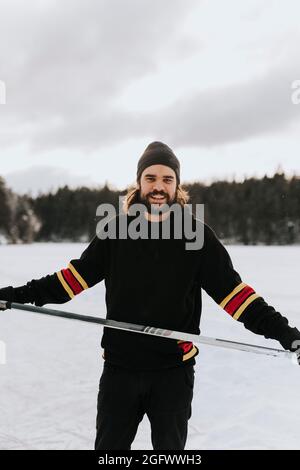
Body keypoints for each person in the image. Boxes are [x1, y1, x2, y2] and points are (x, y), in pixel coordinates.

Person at [1, 141, 300, 451]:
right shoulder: (115, 232)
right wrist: (13, 295)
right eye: (151, 178)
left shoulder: (197, 237)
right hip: (120, 370)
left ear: (177, 186)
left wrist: (287, 334)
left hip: (173, 373)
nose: (159, 187)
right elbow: (68, 282)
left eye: (167, 179)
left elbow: (238, 300)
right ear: (139, 182)